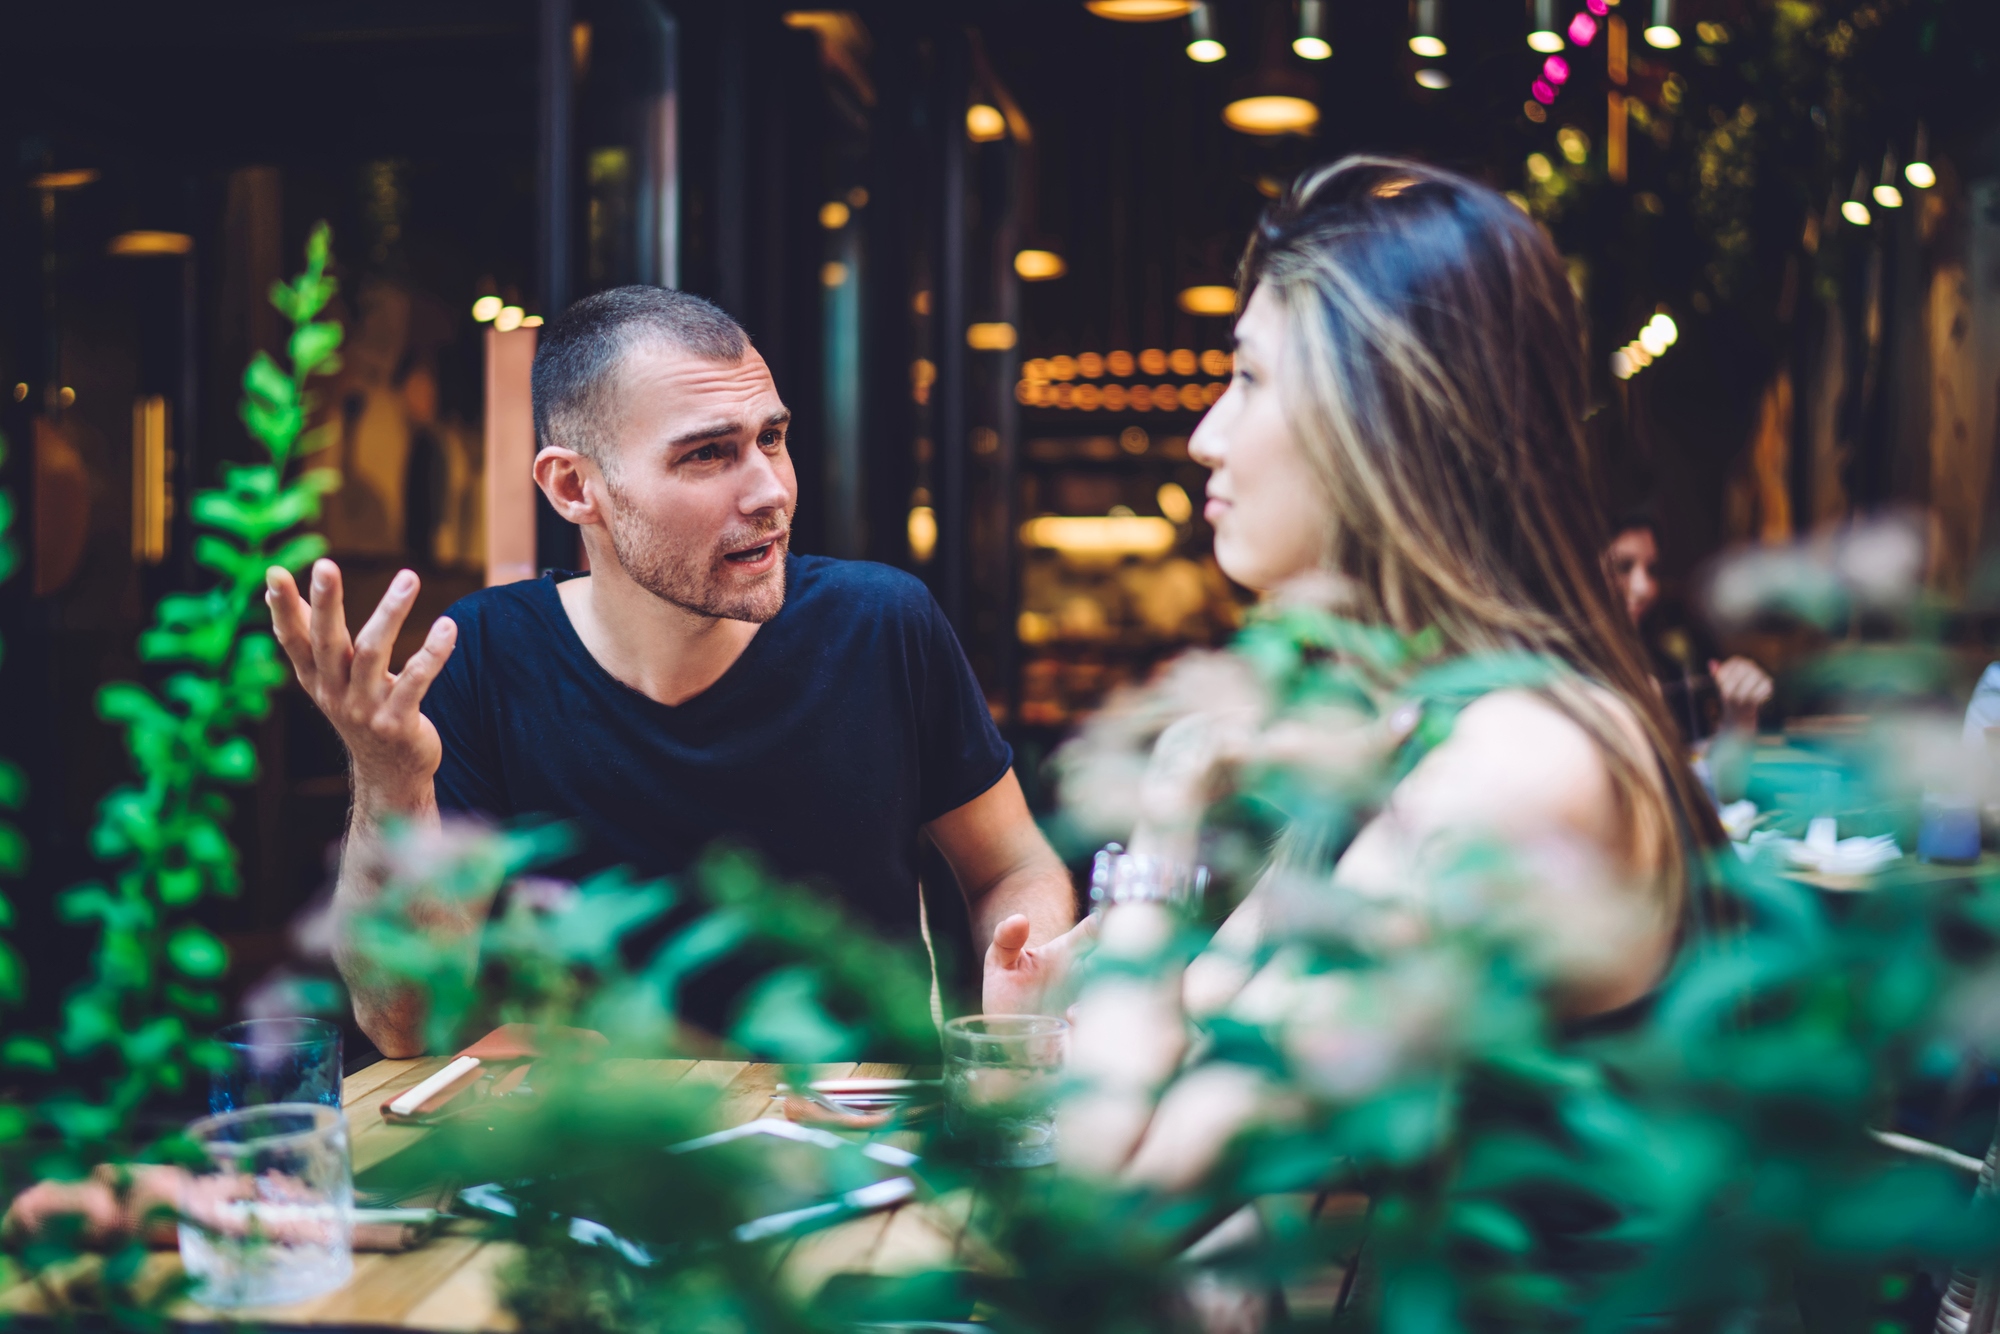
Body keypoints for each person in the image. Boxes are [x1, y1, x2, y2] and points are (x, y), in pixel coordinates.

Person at [1056, 158, 1725, 1309]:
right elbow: (1194, 1047)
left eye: (1248, 379)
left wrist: (1162, 822)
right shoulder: (1423, 724)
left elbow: (1116, 1190)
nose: (1206, 438)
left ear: (1384, 416)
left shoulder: (1519, 763)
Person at [266, 287, 1087, 1056]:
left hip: (851, 1145)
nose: (770, 490)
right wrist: (389, 776)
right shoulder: (482, 656)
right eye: (707, 455)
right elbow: (401, 1023)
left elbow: (1011, 865)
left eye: (771, 437)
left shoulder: (882, 623)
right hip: (601, 1167)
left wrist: (1029, 968)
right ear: (574, 487)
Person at [1604, 510, 1772, 802]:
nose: (1644, 588)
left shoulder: (1666, 669)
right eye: (1622, 567)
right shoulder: (1551, 676)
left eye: (1651, 569)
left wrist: (1738, 719)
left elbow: (1714, 792)